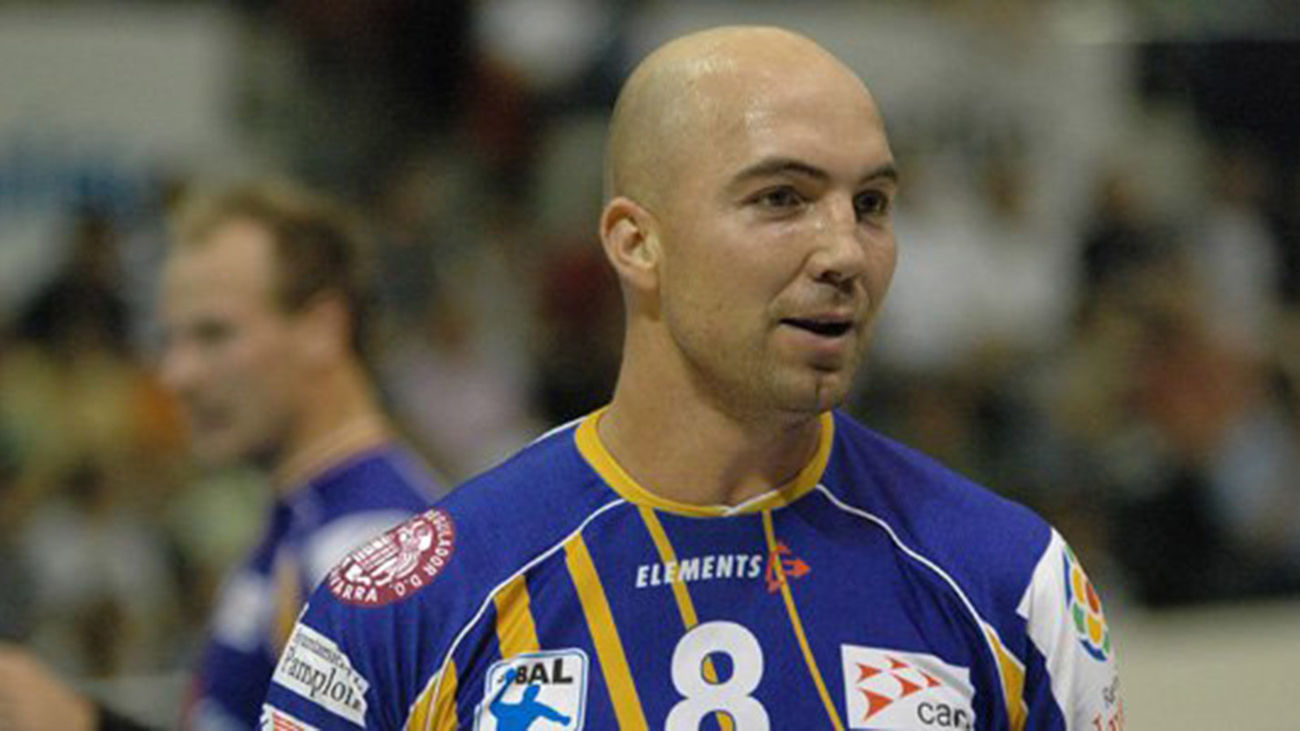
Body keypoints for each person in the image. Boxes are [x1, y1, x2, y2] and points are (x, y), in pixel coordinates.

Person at [264, 26, 1122, 730]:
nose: (845, 252)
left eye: (871, 205)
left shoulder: (1011, 583)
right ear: (636, 243)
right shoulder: (413, 606)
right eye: (782, 198)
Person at [0, 182, 444, 731]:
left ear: (322, 328)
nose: (176, 375)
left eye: (213, 335)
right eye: (169, 341)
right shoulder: (305, 520)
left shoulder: (364, 549)